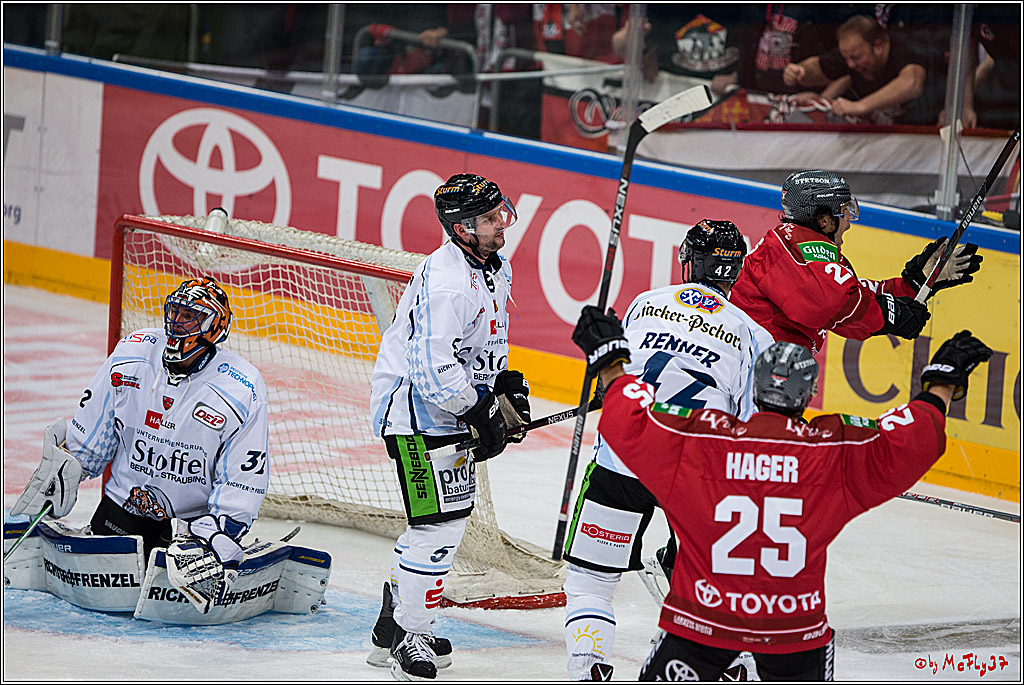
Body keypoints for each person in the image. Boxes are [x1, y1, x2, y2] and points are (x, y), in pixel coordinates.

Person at [571, 306, 994, 680]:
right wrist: (940, 385)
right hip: (794, 631)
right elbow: (911, 442)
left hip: (702, 620)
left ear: (753, 387)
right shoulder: (833, 450)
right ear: (809, 395)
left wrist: (611, 359)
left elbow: (627, 422)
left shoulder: (701, 442)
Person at [561, 220, 774, 681]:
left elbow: (617, 372)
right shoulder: (754, 334)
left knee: (591, 581)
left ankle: (588, 667)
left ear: (687, 262)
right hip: (694, 472)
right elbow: (752, 423)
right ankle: (724, 661)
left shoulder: (645, 304)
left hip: (625, 459)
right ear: (733, 272)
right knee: (702, 583)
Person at [366, 173, 532, 680]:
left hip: (445, 409)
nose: (500, 222)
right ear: (461, 229)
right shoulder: (446, 282)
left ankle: (391, 627)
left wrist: (503, 389)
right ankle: (410, 639)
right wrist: (480, 411)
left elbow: (486, 342)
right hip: (414, 417)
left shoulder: (492, 267)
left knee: (438, 523)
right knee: (437, 527)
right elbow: (434, 372)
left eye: (498, 211)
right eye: (487, 218)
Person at [11, 277, 270, 598]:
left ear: (214, 326)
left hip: (197, 526)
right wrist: (65, 470)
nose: (176, 322)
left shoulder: (241, 386)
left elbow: (243, 477)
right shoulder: (133, 353)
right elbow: (91, 435)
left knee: (201, 559)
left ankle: (211, 544)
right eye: (173, 312)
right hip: (126, 507)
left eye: (189, 316)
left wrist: (222, 532)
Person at [731, 169, 983, 357]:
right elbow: (831, 303)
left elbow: (853, 298)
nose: (850, 218)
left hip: (770, 369)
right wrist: (889, 315)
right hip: (752, 369)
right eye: (844, 209)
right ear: (823, 220)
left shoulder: (806, 251)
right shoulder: (783, 247)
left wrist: (914, 284)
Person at [782, 14, 943, 125]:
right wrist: (799, 71)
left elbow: (912, 84)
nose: (851, 64)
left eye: (856, 58)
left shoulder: (904, 49)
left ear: (878, 46)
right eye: (847, 58)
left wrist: (860, 106)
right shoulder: (851, 55)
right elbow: (820, 66)